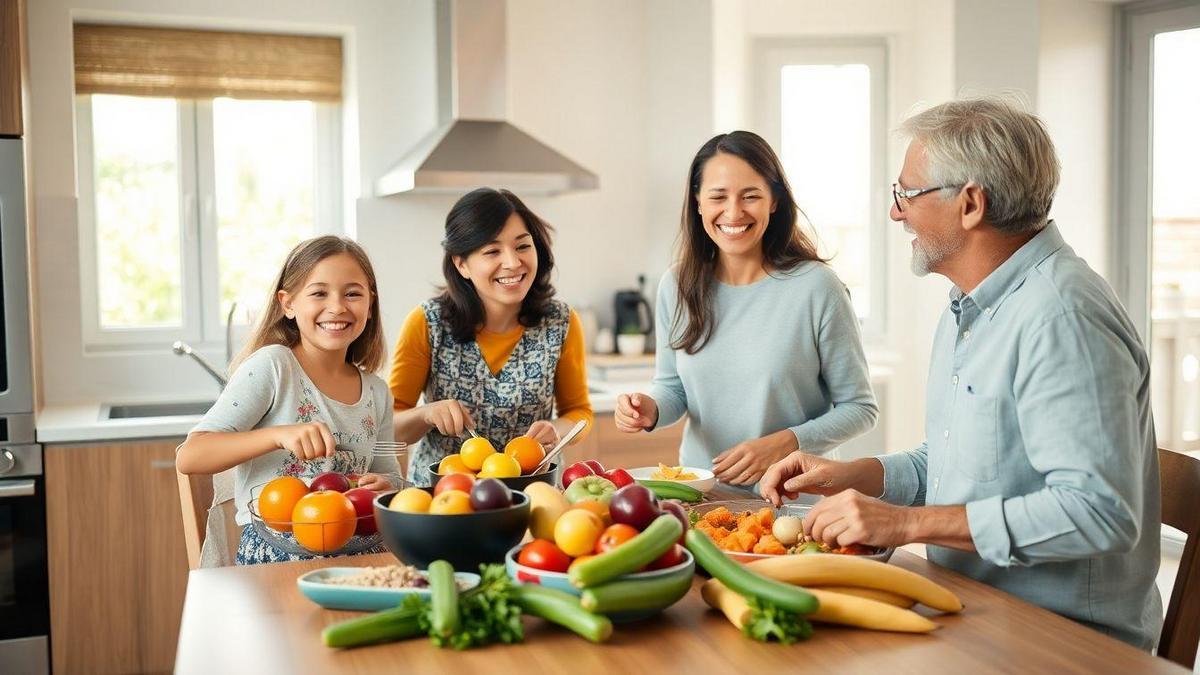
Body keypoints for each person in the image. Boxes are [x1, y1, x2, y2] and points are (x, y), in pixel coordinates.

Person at [760, 98, 1163, 649]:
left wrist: (904, 525)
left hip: (1064, 643)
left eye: (906, 193)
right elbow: (961, 467)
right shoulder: (972, 307)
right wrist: (854, 474)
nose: (896, 213)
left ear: (971, 202)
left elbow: (1098, 514)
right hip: (976, 611)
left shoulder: (1061, 315)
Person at [614, 130, 878, 490]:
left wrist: (785, 442)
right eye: (718, 196)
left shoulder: (817, 288)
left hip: (793, 499)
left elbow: (860, 409)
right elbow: (673, 388)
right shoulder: (676, 286)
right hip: (698, 494)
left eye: (750, 196)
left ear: (773, 201)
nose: (734, 212)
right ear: (698, 203)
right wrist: (650, 409)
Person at [176, 236, 401, 565]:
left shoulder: (377, 392)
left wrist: (383, 486)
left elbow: (389, 474)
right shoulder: (273, 367)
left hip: (356, 553)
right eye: (319, 293)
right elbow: (191, 456)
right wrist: (277, 435)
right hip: (276, 557)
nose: (337, 307)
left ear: (370, 304)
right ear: (288, 303)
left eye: (353, 293)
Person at [389, 188, 592, 482]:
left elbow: (580, 413)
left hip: (533, 493)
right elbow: (389, 426)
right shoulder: (427, 323)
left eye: (522, 246)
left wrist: (557, 430)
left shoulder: (561, 322)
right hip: (447, 498)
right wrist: (426, 414)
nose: (512, 262)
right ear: (461, 264)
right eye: (492, 251)